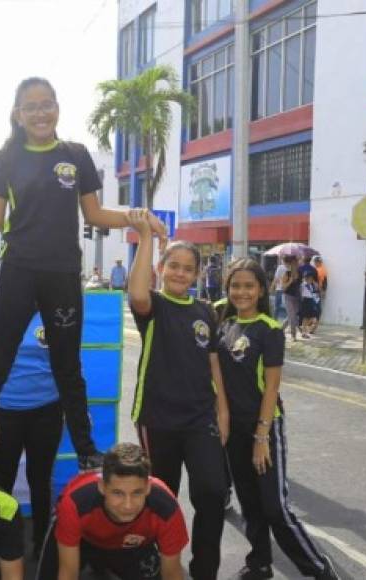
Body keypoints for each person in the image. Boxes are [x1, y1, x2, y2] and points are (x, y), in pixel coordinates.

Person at [0, 77, 166, 473]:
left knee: (67, 364)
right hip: (17, 269)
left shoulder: (76, 154)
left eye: (47, 104)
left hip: (62, 273)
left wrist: (138, 217)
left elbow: (95, 215)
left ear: (57, 107)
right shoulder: (5, 158)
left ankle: (88, 452)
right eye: (31, 106)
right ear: (18, 115)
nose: (40, 112)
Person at [215, 258, 339, 580]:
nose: (241, 292)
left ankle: (321, 571)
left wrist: (261, 438)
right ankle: (259, 563)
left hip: (265, 426)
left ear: (260, 290)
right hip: (235, 429)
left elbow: (271, 389)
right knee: (249, 503)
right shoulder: (224, 326)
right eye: (235, 286)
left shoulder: (269, 330)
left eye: (248, 286)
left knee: (276, 509)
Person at [126, 209, 230, 580]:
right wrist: (147, 237)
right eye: (174, 266)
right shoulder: (153, 305)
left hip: (201, 419)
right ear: (162, 267)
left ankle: (204, 572)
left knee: (213, 493)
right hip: (158, 419)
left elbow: (214, 366)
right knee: (161, 499)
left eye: (188, 268)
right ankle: (159, 566)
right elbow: (136, 291)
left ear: (198, 274)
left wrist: (223, 413)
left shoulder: (206, 311)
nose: (180, 273)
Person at [0, 308, 62, 558]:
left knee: (41, 481)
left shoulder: (54, 314)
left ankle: (41, 545)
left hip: (47, 410)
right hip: (4, 412)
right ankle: (1, 544)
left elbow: (66, 364)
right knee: (3, 481)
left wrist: (73, 408)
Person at [37, 442, 189, 580]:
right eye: (118, 493)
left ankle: (108, 565)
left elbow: (172, 574)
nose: (128, 505)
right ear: (102, 487)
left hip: (130, 546)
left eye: (137, 493)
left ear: (148, 487)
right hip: (83, 541)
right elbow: (68, 574)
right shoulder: (75, 503)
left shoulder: (166, 508)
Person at [281, 256, 301, 342]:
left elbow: (300, 285)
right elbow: (283, 288)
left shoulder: (300, 273)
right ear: (290, 264)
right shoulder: (287, 274)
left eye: (296, 263)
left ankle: (279, 330)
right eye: (294, 263)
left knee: (291, 316)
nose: (296, 264)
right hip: (288, 296)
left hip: (297, 297)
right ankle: (293, 335)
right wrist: (290, 281)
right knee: (292, 316)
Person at [298, 272, 320, 340]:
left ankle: (304, 329)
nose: (311, 279)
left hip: (310, 301)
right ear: (306, 278)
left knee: (312, 317)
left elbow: (312, 293)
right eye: (309, 278)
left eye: (311, 278)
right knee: (305, 317)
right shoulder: (303, 285)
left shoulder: (311, 285)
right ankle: (304, 332)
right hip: (305, 301)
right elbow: (300, 293)